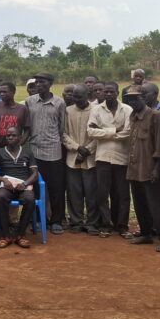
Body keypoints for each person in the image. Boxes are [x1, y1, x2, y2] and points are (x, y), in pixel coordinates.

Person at [122, 85, 160, 249]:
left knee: (156, 204)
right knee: (140, 202)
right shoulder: (132, 116)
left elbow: (159, 144)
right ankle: (146, 233)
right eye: (130, 99)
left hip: (149, 168)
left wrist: (157, 168)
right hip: (135, 167)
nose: (133, 101)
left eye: (136, 98)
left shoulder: (155, 116)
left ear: (145, 98)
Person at [87, 81, 133, 238]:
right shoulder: (96, 109)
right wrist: (115, 131)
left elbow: (128, 132)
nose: (108, 94)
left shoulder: (127, 109)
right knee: (102, 193)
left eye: (111, 92)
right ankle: (106, 225)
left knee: (122, 194)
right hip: (103, 157)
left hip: (122, 157)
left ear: (117, 92)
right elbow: (91, 132)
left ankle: (122, 226)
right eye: (105, 92)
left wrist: (104, 131)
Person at [25, 72, 67, 235]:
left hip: (53, 150)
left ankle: (56, 220)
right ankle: (36, 219)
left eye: (42, 82)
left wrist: (55, 140)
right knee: (35, 186)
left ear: (50, 84)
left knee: (56, 188)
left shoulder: (59, 103)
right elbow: (27, 127)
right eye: (36, 82)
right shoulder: (30, 102)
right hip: (35, 150)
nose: (38, 85)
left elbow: (62, 127)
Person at [0, 126, 38, 249]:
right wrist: (3, 180)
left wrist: (25, 183)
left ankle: (20, 235)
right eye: (8, 135)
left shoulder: (27, 152)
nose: (10, 137)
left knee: (30, 199)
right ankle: (5, 235)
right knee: (0, 197)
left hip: (23, 186)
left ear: (20, 138)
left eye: (13, 135)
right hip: (7, 186)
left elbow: (35, 174)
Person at [62, 85, 97, 234]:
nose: (76, 100)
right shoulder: (68, 111)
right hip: (72, 158)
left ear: (87, 96)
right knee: (73, 192)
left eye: (79, 97)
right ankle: (76, 221)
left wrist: (87, 150)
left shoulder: (96, 110)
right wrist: (77, 148)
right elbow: (63, 134)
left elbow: (99, 134)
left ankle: (92, 223)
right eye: (74, 97)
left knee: (92, 193)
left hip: (91, 158)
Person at [0, 82, 30, 149]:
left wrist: (20, 144)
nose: (2, 94)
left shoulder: (22, 109)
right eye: (0, 92)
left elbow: (27, 130)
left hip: (16, 148)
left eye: (5, 92)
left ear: (13, 92)